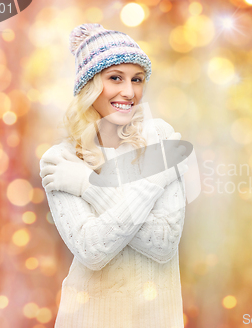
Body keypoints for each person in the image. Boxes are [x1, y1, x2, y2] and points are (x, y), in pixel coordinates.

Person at [39, 23, 189, 328]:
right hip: (88, 318)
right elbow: (92, 250)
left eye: (137, 79)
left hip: (156, 318)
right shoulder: (61, 160)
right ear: (90, 85)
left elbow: (163, 243)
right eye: (115, 78)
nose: (129, 92)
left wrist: (87, 186)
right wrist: (156, 179)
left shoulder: (160, 137)